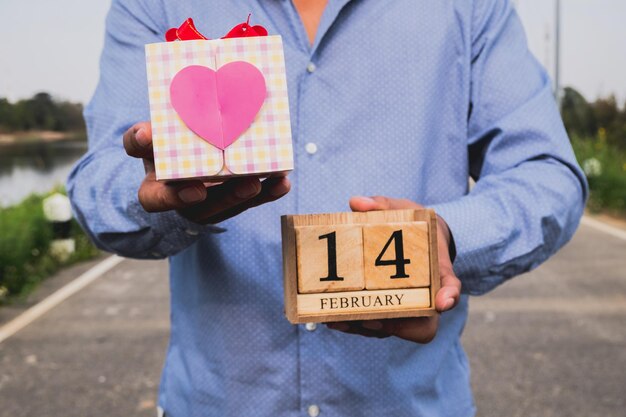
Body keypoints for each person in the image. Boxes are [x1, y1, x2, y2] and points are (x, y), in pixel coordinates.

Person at [68, 0, 587, 416]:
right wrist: (163, 203)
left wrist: (448, 237)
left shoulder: (470, 7)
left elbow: (546, 173)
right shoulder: (155, 5)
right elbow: (98, 182)